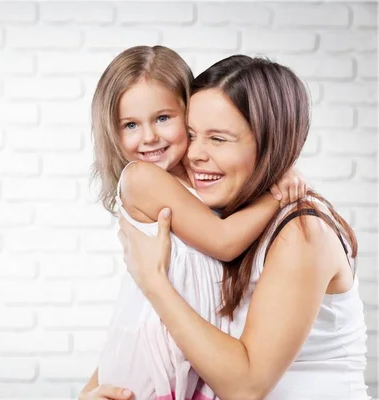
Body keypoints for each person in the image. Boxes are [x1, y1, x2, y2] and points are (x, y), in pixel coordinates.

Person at [115, 55, 368, 400]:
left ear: (270, 143)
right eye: (191, 134)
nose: (195, 154)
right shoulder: (223, 218)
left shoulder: (301, 232)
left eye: (218, 139)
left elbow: (245, 387)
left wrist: (153, 282)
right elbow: (153, 328)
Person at [83, 46, 307, 400]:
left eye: (163, 118)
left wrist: (278, 166)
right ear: (113, 132)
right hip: (149, 369)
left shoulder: (199, 175)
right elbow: (223, 241)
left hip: (190, 367)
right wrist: (277, 194)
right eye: (130, 125)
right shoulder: (141, 178)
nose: (149, 137)